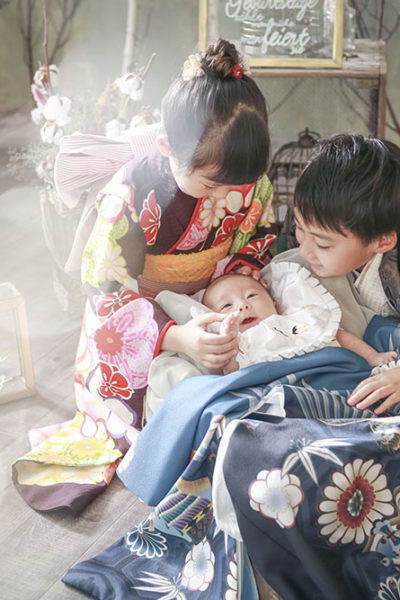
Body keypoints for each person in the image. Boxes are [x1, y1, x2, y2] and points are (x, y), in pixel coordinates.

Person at [13, 39, 278, 514]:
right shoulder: (133, 190)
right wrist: (177, 336)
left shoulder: (249, 181)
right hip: (140, 319)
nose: (229, 195)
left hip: (213, 302)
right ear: (166, 147)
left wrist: (230, 306)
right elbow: (106, 289)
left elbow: (253, 247)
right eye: (212, 184)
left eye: (238, 184)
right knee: (149, 417)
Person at [275, 133, 400, 415]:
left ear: (382, 241)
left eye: (323, 244)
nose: (305, 249)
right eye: (299, 229)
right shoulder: (312, 219)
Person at [202, 271, 397, 374]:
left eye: (251, 295)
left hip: (333, 371)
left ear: (275, 303)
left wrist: (372, 356)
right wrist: (228, 339)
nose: (243, 305)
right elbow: (232, 371)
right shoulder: (237, 344)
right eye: (226, 306)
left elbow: (339, 336)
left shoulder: (297, 321)